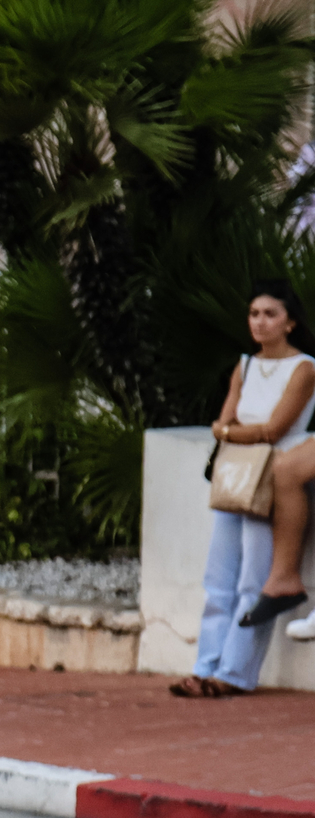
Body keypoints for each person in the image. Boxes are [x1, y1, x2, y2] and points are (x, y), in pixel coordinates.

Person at [175, 281, 315, 697]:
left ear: (290, 322)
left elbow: (274, 429)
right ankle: (205, 665)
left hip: (273, 475)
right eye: (254, 313)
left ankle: (234, 673)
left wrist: (229, 431)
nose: (260, 322)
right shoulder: (245, 366)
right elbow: (226, 420)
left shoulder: (304, 368)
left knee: (254, 577)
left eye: (270, 314)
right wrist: (231, 430)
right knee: (218, 576)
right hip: (235, 474)